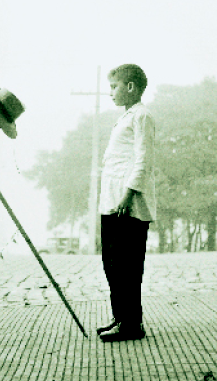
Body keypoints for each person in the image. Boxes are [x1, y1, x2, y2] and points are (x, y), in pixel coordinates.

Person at [97, 64, 156, 342]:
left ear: (130, 87)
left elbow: (143, 159)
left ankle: (132, 323)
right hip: (111, 201)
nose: (110, 92)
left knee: (127, 266)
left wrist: (128, 195)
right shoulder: (126, 117)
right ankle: (120, 317)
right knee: (111, 263)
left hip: (127, 204)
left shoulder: (142, 116)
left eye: (114, 86)